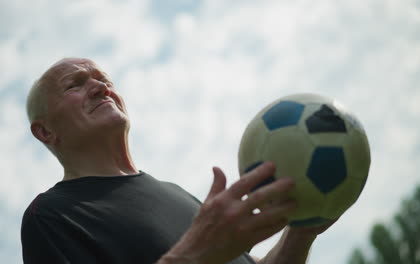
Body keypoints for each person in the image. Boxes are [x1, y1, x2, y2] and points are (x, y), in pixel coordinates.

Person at [21, 57, 335, 264]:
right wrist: (195, 254)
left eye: (104, 80)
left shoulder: (177, 193)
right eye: (75, 84)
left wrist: (303, 229)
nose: (101, 87)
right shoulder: (51, 216)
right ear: (45, 131)